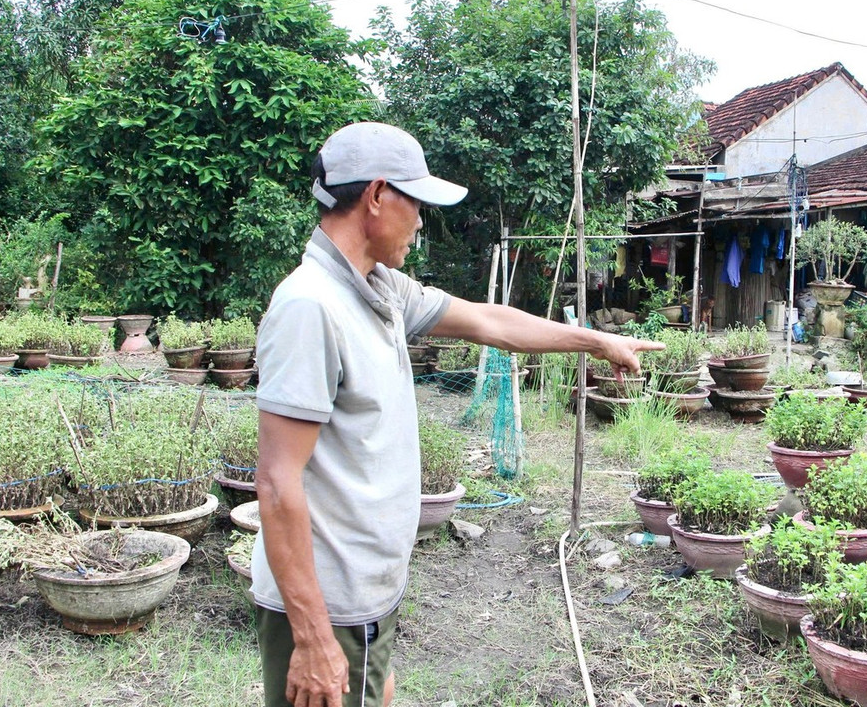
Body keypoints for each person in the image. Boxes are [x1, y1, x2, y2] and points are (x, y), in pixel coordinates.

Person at [251, 122, 663, 707]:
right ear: (375, 196)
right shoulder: (309, 307)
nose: (421, 221)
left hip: (365, 595)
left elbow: (489, 321)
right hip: (332, 605)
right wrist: (316, 639)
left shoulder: (380, 289)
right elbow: (275, 481)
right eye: (415, 203)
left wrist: (595, 342)